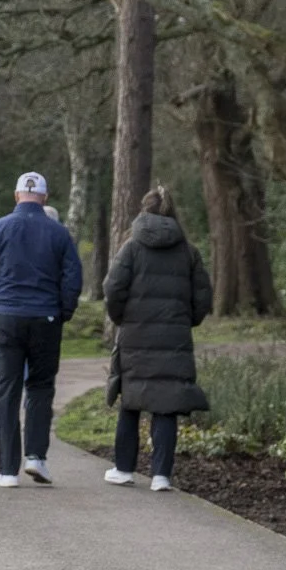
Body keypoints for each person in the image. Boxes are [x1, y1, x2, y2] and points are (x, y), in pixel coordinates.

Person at [0, 172, 83, 488]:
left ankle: (7, 469)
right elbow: (73, 277)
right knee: (40, 387)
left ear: (16, 195)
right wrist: (63, 311)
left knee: (6, 391)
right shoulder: (58, 232)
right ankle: (36, 456)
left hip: (7, 315)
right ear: (45, 198)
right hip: (45, 316)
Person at [102, 187, 212, 491]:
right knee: (166, 405)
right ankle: (161, 475)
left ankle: (124, 468)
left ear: (143, 210)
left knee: (131, 402)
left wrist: (121, 317)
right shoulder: (188, 252)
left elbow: (113, 288)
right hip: (174, 336)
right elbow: (203, 296)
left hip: (135, 332)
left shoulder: (131, 248)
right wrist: (187, 320)